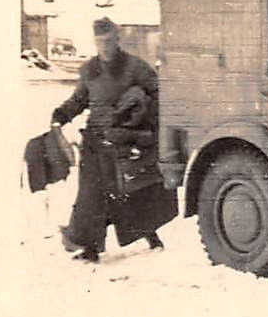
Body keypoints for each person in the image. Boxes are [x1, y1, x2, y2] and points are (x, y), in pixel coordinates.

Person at [52, 17, 176, 263]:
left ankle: (149, 233)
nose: (105, 47)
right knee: (90, 195)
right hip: (94, 141)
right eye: (100, 42)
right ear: (95, 42)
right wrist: (62, 115)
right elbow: (79, 100)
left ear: (117, 40)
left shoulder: (135, 67)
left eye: (109, 41)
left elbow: (159, 93)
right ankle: (89, 248)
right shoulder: (89, 70)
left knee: (130, 192)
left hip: (124, 141)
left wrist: (139, 117)